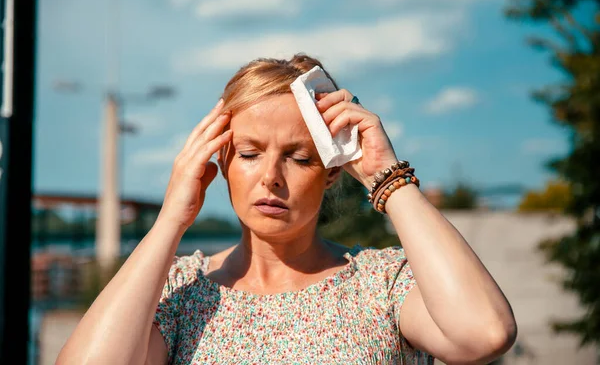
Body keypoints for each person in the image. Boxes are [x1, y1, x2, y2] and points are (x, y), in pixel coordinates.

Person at [56, 54, 517, 365]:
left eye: (299, 158)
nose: (272, 176)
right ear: (221, 160)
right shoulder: (180, 293)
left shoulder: (382, 284)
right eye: (250, 153)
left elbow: (485, 334)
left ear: (332, 171)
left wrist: (388, 176)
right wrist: (171, 220)